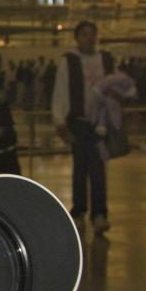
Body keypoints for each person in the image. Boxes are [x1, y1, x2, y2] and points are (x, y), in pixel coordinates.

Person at [51, 21, 115, 234]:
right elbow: (60, 93)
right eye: (85, 34)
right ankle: (80, 212)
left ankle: (98, 213)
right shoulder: (69, 62)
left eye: (92, 34)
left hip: (101, 124)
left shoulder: (106, 60)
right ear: (77, 38)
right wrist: (60, 123)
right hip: (78, 123)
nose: (89, 38)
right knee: (80, 169)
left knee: (98, 170)